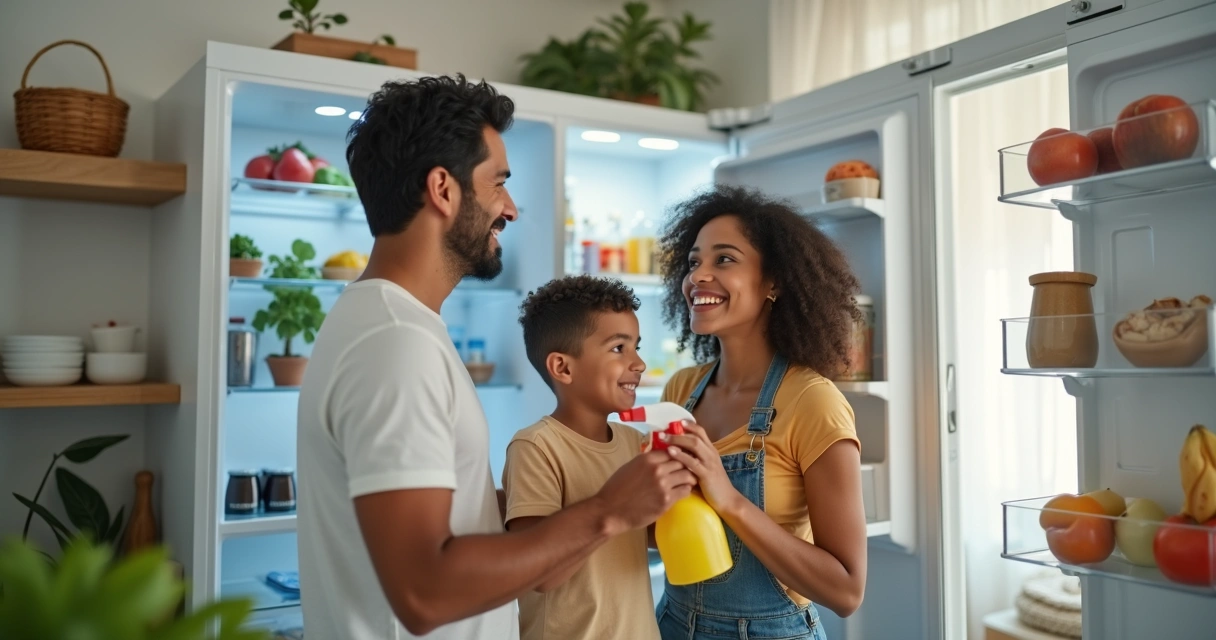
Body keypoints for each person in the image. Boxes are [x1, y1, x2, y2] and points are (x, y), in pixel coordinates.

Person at [295, 75, 696, 640]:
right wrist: (608, 510)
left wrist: (532, 506)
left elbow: (444, 534)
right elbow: (423, 592)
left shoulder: (393, 325)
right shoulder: (396, 344)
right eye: (498, 183)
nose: (509, 208)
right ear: (443, 188)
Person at [651, 185, 869, 639]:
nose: (698, 277)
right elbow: (661, 532)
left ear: (774, 282)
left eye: (723, 259)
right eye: (693, 262)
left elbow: (846, 591)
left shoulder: (813, 401)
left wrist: (728, 499)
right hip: (671, 624)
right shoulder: (682, 389)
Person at [503, 275, 659, 640]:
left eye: (637, 347)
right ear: (563, 368)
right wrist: (614, 510)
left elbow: (647, 537)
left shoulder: (636, 444)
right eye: (619, 349)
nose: (639, 363)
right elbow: (537, 573)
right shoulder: (536, 447)